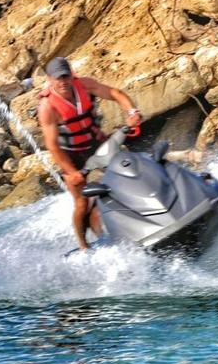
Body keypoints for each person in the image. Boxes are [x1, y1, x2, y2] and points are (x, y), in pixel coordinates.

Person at [37, 56, 142, 250]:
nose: (63, 82)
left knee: (129, 175)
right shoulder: (47, 107)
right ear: (50, 80)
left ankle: (144, 217)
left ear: (71, 75)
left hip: (96, 144)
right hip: (71, 157)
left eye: (65, 76)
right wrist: (71, 172)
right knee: (82, 203)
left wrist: (132, 111)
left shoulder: (84, 85)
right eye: (58, 78)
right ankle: (83, 245)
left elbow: (115, 93)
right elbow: (52, 146)